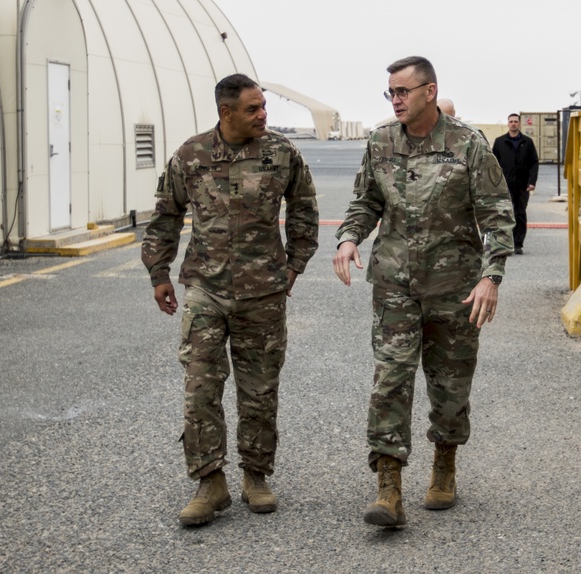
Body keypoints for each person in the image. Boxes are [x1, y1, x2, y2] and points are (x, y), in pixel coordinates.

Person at [333, 56, 514, 527]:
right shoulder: (379, 142)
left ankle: (444, 466)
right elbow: (366, 200)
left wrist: (490, 277)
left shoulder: (467, 144)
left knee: (450, 384)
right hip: (394, 283)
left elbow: (497, 214)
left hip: (455, 287)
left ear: (429, 92)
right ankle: (388, 487)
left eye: (403, 92)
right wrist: (350, 236)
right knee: (390, 379)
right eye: (390, 93)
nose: (395, 100)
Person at [142, 73, 320, 527]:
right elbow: (166, 212)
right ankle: (209, 481)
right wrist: (158, 272)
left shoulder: (282, 154)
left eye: (264, 107)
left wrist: (294, 265)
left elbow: (305, 209)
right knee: (200, 386)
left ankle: (256, 475)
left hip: (263, 292)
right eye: (254, 109)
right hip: (205, 287)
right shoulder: (191, 155)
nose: (264, 115)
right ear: (226, 113)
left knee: (259, 389)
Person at [492, 114, 539, 255]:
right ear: (508, 123)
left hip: (522, 185)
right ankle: (506, 244)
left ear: (519, 124)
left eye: (515, 122)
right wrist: (494, 182)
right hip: (504, 185)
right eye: (511, 121)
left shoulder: (527, 142)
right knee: (504, 215)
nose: (513, 124)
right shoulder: (500, 142)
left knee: (520, 214)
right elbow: (493, 163)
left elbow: (534, 163)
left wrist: (532, 181)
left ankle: (518, 244)